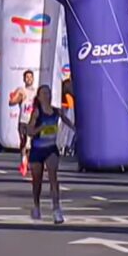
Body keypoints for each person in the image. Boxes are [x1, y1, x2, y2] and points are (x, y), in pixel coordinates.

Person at [26, 84, 75, 224]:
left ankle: (56, 209)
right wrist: (39, 128)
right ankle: (36, 205)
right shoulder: (36, 112)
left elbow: (66, 120)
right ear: (39, 97)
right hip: (37, 149)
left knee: (53, 177)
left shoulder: (56, 112)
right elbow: (30, 131)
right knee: (37, 181)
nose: (47, 96)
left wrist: (75, 128)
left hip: (51, 148)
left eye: (48, 93)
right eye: (44, 93)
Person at [9, 70, 37, 177]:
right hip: (23, 120)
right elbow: (11, 102)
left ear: (33, 79)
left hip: (33, 121)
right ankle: (23, 162)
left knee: (31, 144)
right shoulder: (21, 90)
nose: (29, 79)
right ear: (24, 79)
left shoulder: (36, 91)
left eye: (30, 77)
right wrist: (19, 98)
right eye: (27, 77)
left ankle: (27, 161)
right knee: (24, 142)